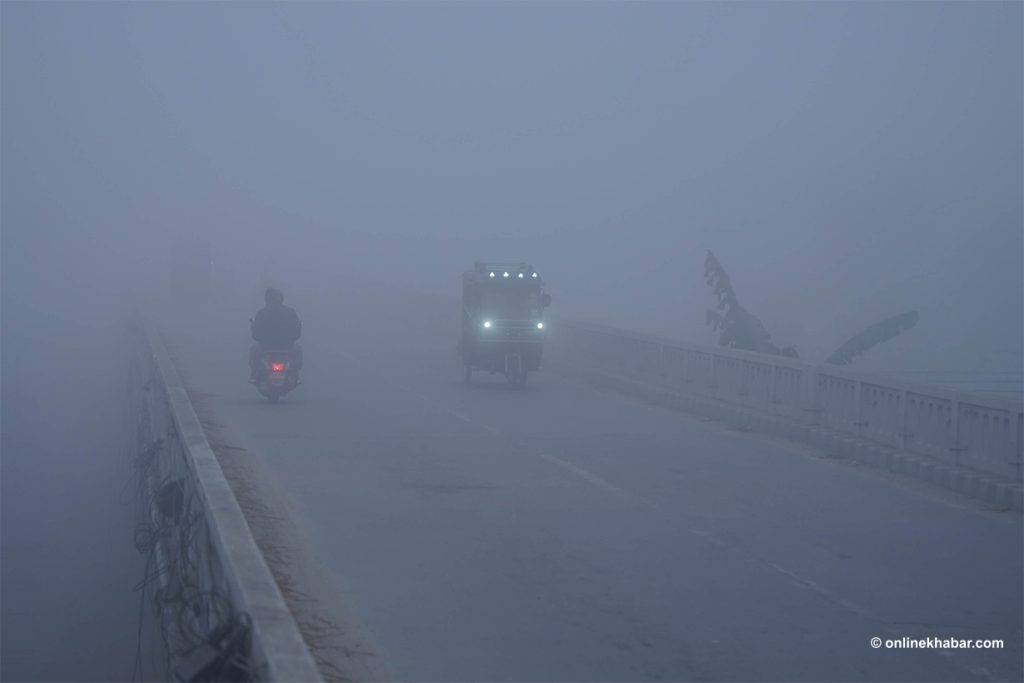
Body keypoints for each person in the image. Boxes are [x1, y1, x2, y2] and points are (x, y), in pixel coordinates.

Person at [250, 287, 303, 382]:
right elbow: (297, 333)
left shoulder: (261, 313)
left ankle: (254, 374)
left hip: (266, 346)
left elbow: (255, 336)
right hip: (287, 346)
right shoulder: (290, 312)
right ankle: (296, 374)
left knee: (254, 349)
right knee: (298, 350)